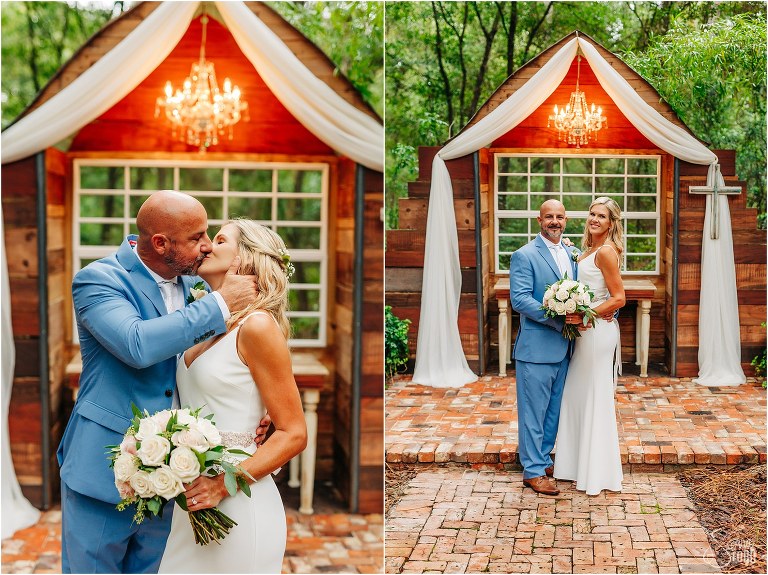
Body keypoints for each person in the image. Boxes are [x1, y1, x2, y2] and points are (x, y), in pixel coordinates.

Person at [57, 191, 264, 574]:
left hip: (175, 475)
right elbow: (137, 344)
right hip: (104, 471)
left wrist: (254, 416)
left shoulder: (191, 287)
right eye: (197, 237)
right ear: (160, 243)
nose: (206, 247)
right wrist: (220, 304)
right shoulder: (98, 280)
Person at [158, 220, 307, 573]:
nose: (206, 245)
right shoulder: (204, 323)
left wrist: (222, 486)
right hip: (192, 495)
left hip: (238, 499)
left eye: (219, 239)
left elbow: (295, 432)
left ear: (247, 258)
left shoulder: (256, 326)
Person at [509, 199, 582, 496]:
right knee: (533, 412)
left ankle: (543, 458)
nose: (555, 221)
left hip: (566, 348)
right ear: (539, 220)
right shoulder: (524, 255)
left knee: (553, 412)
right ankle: (533, 471)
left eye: (560, 217)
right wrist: (560, 318)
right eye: (549, 216)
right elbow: (521, 299)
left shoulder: (572, 253)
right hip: (537, 348)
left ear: (566, 220)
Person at [553, 197, 625, 495]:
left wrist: (587, 314)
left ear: (611, 223)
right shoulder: (587, 251)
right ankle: (574, 465)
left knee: (595, 397)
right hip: (584, 333)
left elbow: (619, 297)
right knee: (576, 395)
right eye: (592, 214)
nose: (595, 219)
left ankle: (596, 473)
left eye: (602, 216)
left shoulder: (607, 252)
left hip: (596, 333)